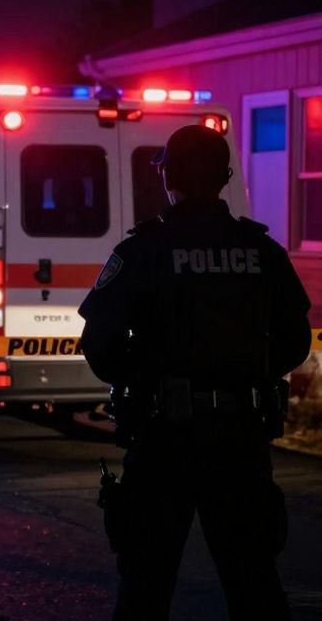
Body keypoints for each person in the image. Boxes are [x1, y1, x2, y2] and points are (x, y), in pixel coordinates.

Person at [79, 124, 310, 620]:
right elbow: (295, 338)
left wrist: (147, 383)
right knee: (253, 582)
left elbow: (99, 345)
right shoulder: (261, 250)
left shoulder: (143, 250)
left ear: (169, 178)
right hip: (241, 440)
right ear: (226, 177)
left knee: (146, 583)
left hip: (164, 442)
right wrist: (249, 375)